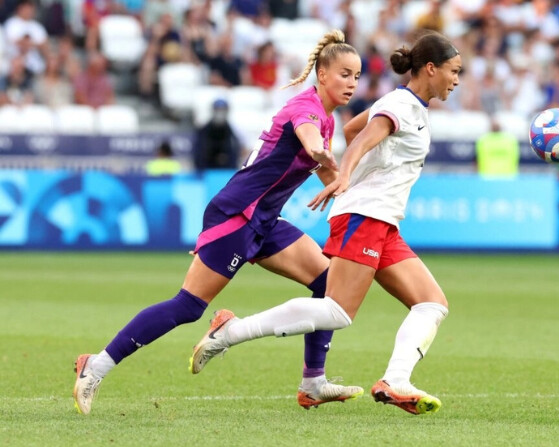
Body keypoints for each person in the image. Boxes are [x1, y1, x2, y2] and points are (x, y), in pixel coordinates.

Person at [73, 29, 363, 415]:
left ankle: (313, 383)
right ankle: (95, 366)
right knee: (188, 306)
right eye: (345, 73)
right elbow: (310, 144)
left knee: (328, 283)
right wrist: (323, 155)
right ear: (322, 75)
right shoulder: (305, 109)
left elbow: (331, 178)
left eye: (357, 76)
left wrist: (357, 196)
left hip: (265, 220)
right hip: (237, 214)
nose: (352, 83)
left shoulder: (326, 120)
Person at [190, 31, 461, 416]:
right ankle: (229, 332)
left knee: (432, 304)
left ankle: (396, 380)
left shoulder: (408, 106)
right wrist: (347, 176)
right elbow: (362, 138)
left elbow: (353, 131)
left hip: (383, 222)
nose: (456, 79)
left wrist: (364, 172)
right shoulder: (401, 104)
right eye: (454, 70)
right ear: (431, 68)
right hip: (364, 216)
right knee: (337, 310)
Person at [193, 98, 244, 170]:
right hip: (207, 171)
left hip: (226, 172)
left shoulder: (232, 131)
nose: (220, 113)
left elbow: (234, 153)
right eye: (218, 110)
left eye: (223, 110)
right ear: (213, 110)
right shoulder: (203, 131)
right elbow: (198, 154)